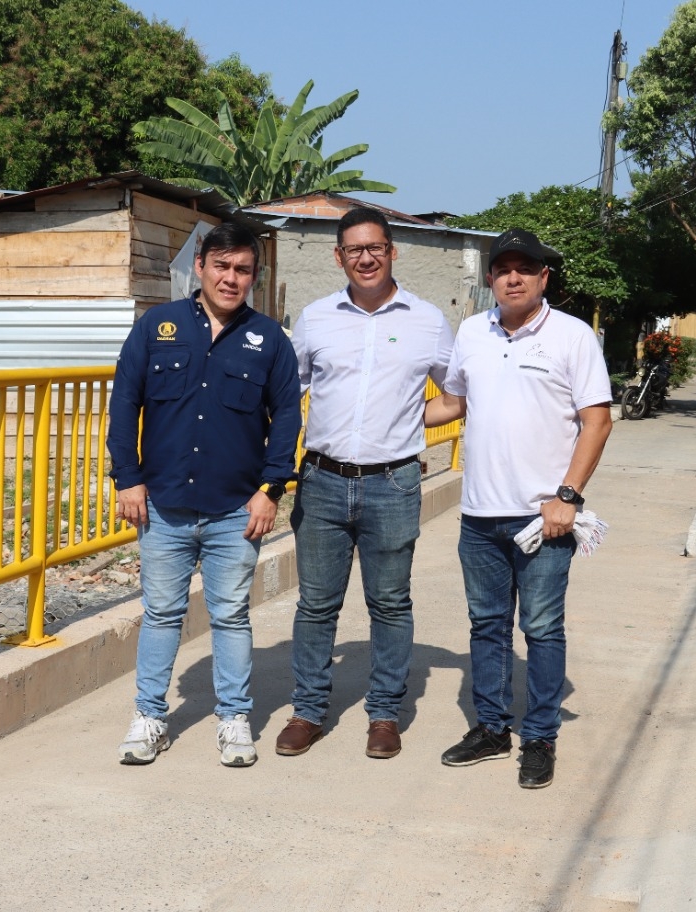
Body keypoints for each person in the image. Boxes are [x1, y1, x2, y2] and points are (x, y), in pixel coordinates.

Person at [423, 229, 613, 789]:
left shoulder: (573, 337)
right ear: (489, 278)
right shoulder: (471, 333)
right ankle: (490, 728)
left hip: (544, 518)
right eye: (503, 268)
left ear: (543, 277)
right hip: (479, 515)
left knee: (542, 627)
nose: (513, 277)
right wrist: (387, 408)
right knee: (486, 626)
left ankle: (540, 737)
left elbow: (597, 420)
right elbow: (455, 401)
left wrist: (568, 498)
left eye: (524, 269)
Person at [108, 221, 301, 768]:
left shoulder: (269, 340)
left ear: (254, 277)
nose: (231, 278)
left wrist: (271, 489)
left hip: (235, 510)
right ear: (200, 266)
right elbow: (125, 403)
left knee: (231, 616)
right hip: (164, 505)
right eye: (222, 266)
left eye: (243, 269)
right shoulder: (157, 327)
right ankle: (150, 717)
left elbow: (286, 417)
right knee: (162, 613)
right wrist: (127, 477)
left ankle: (234, 718)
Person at [274, 207, 455, 760]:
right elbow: (287, 394)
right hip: (323, 482)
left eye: (375, 247)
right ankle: (308, 710)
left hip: (393, 484)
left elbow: (455, 396)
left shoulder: (427, 321)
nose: (366, 258)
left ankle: (384, 714)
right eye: (354, 250)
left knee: (391, 604)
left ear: (392, 250)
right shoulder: (316, 318)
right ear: (339, 257)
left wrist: (404, 421)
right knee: (315, 605)